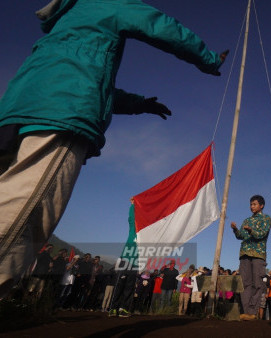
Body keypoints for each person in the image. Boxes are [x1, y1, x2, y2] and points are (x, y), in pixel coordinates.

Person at [0, 0, 228, 298]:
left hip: (17, 111)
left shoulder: (68, 19)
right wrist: (208, 59)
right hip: (61, 112)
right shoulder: (106, 3)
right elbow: (160, 26)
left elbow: (94, 81)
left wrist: (137, 104)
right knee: (27, 212)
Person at [231, 195, 271, 321]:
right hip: (244, 254)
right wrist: (236, 230)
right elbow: (241, 236)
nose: (252, 206)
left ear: (261, 205)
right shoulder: (247, 220)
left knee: (257, 283)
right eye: (251, 204)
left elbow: (262, 234)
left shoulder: (266, 219)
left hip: (258, 255)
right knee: (245, 283)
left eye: (254, 204)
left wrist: (251, 230)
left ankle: (252, 312)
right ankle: (246, 312)